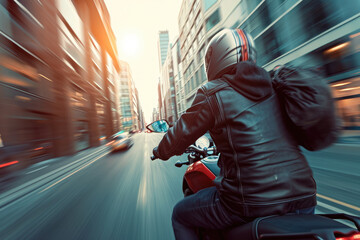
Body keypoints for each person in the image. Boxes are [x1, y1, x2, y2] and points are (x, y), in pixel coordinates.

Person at [152, 28, 317, 240]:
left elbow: (180, 135)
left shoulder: (213, 93)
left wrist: (160, 151)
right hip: (305, 197)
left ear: (216, 58)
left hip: (250, 201)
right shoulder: (275, 85)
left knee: (180, 214)